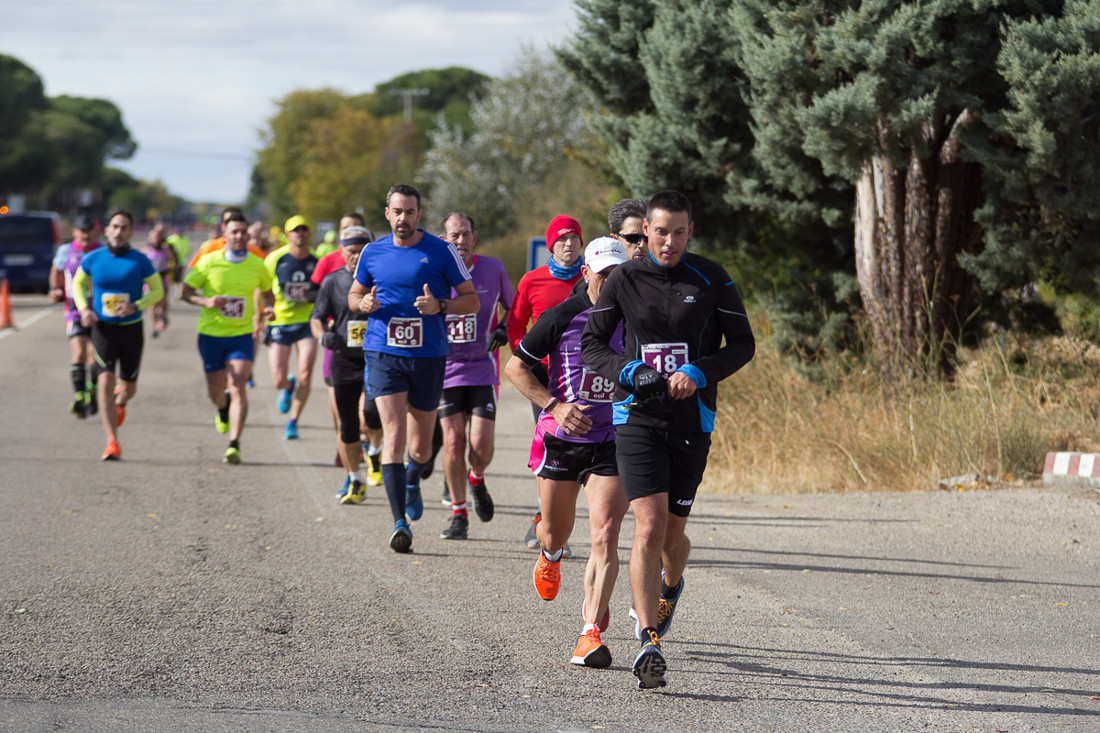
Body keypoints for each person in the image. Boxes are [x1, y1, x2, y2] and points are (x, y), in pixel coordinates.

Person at [580, 191, 755, 689]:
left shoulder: (711, 278)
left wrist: (700, 371)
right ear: (645, 231)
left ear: (690, 231)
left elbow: (743, 344)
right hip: (635, 416)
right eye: (661, 232)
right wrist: (631, 369)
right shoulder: (623, 279)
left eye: (679, 232)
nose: (670, 241)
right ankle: (648, 642)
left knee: (673, 538)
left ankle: (670, 587)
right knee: (648, 524)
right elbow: (592, 344)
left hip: (691, 421)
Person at [504, 236, 629, 668]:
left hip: (612, 440)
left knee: (605, 534)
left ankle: (589, 633)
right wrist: (554, 405)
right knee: (557, 532)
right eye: (605, 274)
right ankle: (550, 554)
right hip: (561, 440)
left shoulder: (638, 319)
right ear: (587, 274)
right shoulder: (562, 316)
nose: (612, 282)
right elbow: (515, 368)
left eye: (620, 274)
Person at [347, 184, 478, 553]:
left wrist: (440, 306)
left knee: (420, 448)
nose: (403, 219)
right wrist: (364, 304)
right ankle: (399, 522)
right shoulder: (373, 252)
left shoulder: (441, 251)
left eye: (409, 212)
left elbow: (471, 301)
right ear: (386, 213)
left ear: (419, 215)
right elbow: (353, 296)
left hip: (428, 355)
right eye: (397, 211)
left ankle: (412, 479)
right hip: (383, 351)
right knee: (394, 434)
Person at [505, 215, 584, 552]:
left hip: (585, 376)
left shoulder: (594, 277)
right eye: (562, 239)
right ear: (550, 245)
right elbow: (515, 325)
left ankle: (555, 521)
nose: (569, 245)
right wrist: (528, 361)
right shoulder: (533, 280)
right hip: (545, 378)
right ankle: (544, 521)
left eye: (574, 239)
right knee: (552, 445)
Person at [436, 212, 514, 540]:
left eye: (465, 234)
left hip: (483, 368)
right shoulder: (435, 272)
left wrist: (502, 327)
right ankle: (458, 514)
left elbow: (515, 308)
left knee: (480, 445)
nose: (460, 241)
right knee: (453, 441)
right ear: (444, 240)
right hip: (446, 370)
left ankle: (476, 479)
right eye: (454, 235)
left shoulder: (493, 269)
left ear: (474, 238)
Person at [180, 213, 274, 464]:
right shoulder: (208, 262)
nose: (240, 236)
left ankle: (234, 444)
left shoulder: (258, 264)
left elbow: (268, 294)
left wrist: (267, 310)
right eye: (235, 232)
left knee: (239, 384)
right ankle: (222, 407)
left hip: (241, 336)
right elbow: (185, 292)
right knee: (215, 391)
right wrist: (205, 301)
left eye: (244, 232)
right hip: (211, 334)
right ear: (225, 233)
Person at [71, 210, 164, 460]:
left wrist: (138, 305)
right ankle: (112, 442)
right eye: (115, 226)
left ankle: (121, 403)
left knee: (129, 387)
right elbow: (77, 284)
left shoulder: (140, 260)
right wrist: (84, 309)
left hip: (132, 329)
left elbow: (158, 291)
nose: (119, 232)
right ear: (107, 230)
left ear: (131, 232)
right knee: (105, 381)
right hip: (103, 329)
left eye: (124, 227)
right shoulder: (93, 258)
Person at [309, 226, 379, 502]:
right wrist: (322, 336)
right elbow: (316, 317)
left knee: (372, 414)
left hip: (375, 358)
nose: (356, 257)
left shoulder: (381, 280)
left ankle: (374, 453)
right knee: (348, 425)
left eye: (362, 251)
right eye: (351, 251)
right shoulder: (332, 281)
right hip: (342, 359)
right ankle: (355, 479)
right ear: (341, 251)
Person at [265, 215, 319, 439]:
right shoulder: (275, 259)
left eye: (304, 229)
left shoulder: (317, 260)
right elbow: (264, 289)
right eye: (295, 230)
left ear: (309, 233)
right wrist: (266, 309)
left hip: (307, 322)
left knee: (305, 374)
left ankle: (293, 421)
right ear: (287, 235)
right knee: (278, 379)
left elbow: (323, 290)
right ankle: (288, 387)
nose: (300, 233)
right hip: (280, 321)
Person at [48, 213, 102, 419]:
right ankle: (79, 395)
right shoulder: (65, 250)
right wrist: (55, 288)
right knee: (79, 352)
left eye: (89, 230)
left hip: (97, 311)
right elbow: (56, 269)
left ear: (94, 231)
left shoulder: (101, 251)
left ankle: (92, 389)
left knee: (95, 357)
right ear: (75, 232)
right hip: (73, 311)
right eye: (81, 231)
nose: (85, 235)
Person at [143, 222, 178, 337]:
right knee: (151, 304)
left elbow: (174, 264)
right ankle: (153, 327)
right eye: (153, 237)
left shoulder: (166, 250)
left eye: (157, 237)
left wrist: (167, 269)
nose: (155, 239)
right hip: (149, 282)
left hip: (162, 279)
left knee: (162, 303)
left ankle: (162, 316)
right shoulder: (146, 250)